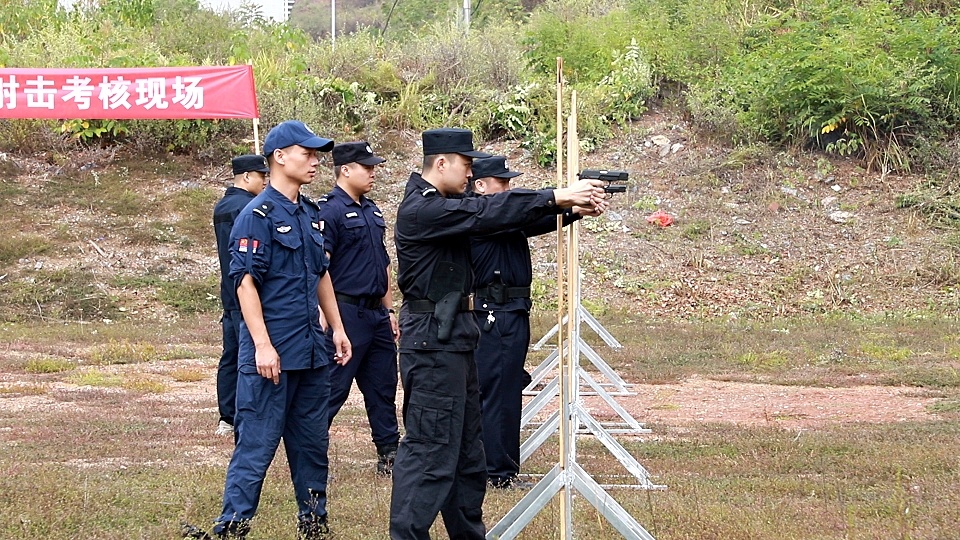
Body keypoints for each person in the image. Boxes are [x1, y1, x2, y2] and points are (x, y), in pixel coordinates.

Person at [390, 128, 607, 540]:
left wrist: (569, 208)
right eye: (466, 164)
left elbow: (505, 217)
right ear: (441, 163)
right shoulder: (423, 210)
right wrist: (557, 195)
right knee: (431, 453)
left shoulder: (449, 207)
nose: (471, 173)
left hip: (454, 339)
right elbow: (489, 211)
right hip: (433, 342)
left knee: (468, 456)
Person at [183, 120, 352, 540]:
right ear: (279, 156)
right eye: (307, 153)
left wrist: (337, 327)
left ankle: (314, 525)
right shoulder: (253, 216)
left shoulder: (311, 214)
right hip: (270, 356)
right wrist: (261, 345)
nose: (314, 162)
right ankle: (231, 528)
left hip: (311, 352)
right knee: (256, 447)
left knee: (312, 447)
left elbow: (321, 275)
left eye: (316, 155)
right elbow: (244, 283)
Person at [468, 155, 606, 490]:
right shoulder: (483, 216)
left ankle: (499, 466)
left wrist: (574, 211)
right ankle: (496, 472)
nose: (508, 188)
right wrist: (565, 196)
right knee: (498, 393)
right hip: (495, 314)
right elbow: (524, 209)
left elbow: (532, 220)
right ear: (481, 186)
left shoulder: (498, 217)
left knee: (506, 388)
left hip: (509, 312)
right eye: (502, 183)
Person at [318, 141, 401, 477]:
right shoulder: (329, 210)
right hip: (345, 312)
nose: (373, 173)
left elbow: (382, 264)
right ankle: (312, 450)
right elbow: (318, 268)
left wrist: (390, 310)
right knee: (331, 388)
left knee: (383, 387)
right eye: (366, 168)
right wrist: (324, 317)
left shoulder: (372, 210)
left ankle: (390, 454)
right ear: (346, 170)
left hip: (376, 315)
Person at [212, 154, 270, 438]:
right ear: (247, 177)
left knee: (231, 355)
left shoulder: (223, 206)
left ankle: (227, 415)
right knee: (247, 356)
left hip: (229, 292)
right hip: (248, 292)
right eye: (261, 177)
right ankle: (246, 414)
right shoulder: (249, 208)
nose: (265, 183)